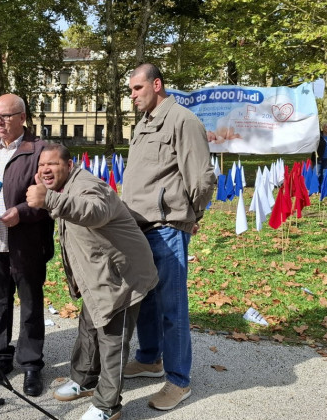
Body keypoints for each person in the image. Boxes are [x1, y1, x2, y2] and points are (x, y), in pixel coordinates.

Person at [26, 144, 158, 420]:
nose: (45, 170)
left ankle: (108, 406)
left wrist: (49, 199)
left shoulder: (87, 184)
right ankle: (84, 379)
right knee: (88, 328)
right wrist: (52, 198)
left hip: (123, 278)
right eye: (41, 166)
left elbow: (94, 211)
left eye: (52, 164)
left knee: (112, 341)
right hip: (98, 276)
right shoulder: (65, 188)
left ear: (70, 165)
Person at [121, 63, 215, 411]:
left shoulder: (182, 120)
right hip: (138, 229)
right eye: (130, 90)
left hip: (166, 228)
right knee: (144, 300)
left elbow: (202, 178)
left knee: (172, 308)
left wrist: (191, 216)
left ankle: (178, 381)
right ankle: (149, 359)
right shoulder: (145, 123)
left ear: (157, 84)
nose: (132, 96)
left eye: (136, 88)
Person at [0, 93, 54, 397]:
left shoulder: (39, 150)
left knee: (30, 304)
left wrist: (23, 213)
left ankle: (30, 364)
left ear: (22, 118)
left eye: (5, 116)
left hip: (25, 241)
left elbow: (48, 197)